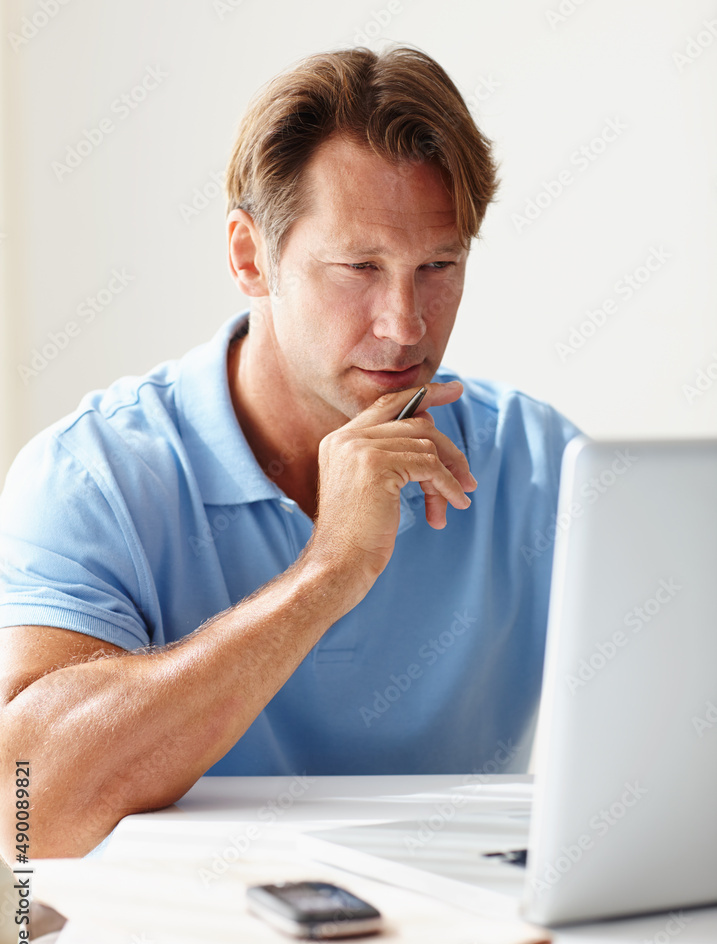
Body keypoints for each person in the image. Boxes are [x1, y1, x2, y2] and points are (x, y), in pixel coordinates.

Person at [0, 46, 580, 860]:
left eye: (438, 266)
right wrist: (327, 572)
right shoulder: (93, 476)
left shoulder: (542, 461)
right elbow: (29, 812)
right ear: (249, 257)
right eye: (359, 267)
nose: (405, 324)